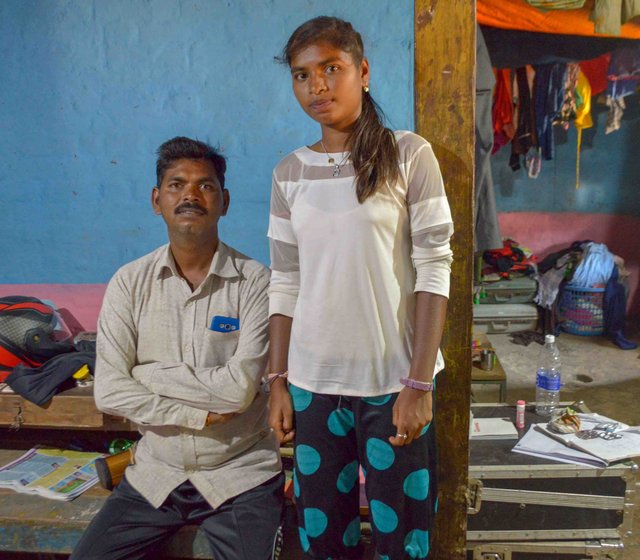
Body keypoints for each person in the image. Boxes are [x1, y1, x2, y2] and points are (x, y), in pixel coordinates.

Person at [267, 16, 453, 560]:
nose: (317, 86)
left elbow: (434, 269)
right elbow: (285, 280)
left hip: (392, 385)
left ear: (363, 71)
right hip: (312, 387)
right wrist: (278, 382)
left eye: (331, 68)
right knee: (323, 539)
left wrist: (418, 383)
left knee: (405, 540)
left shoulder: (409, 155)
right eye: (302, 75)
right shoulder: (289, 173)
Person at [71, 137, 283, 560]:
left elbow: (238, 390)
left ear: (225, 201)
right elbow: (110, 392)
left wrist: (146, 374)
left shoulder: (257, 283)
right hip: (155, 475)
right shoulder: (129, 283)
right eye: (176, 185)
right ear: (156, 200)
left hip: (240, 474)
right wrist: (194, 412)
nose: (190, 195)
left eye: (205, 186)